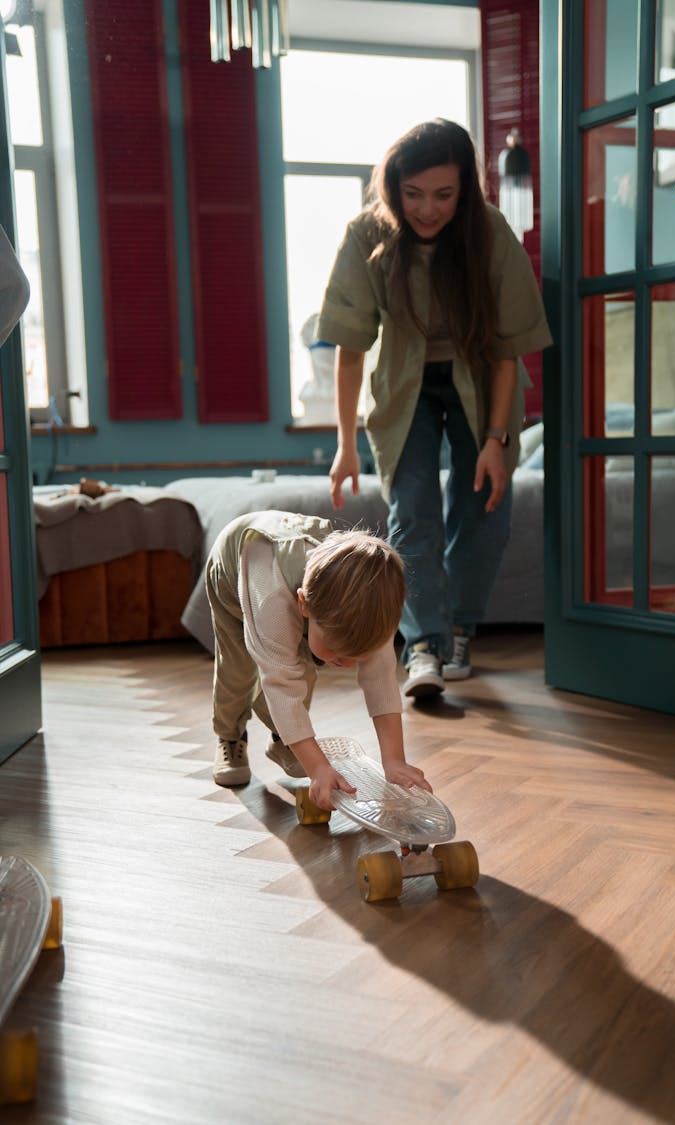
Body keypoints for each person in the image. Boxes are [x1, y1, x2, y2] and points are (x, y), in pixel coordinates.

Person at [318, 119, 552, 699]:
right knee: (412, 504)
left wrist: (497, 438)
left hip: (481, 376)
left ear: (465, 190)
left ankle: (459, 628)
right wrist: (346, 445)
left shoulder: (490, 233)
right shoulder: (365, 235)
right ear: (392, 187)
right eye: (413, 194)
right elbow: (351, 349)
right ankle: (424, 645)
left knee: (485, 506)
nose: (427, 209)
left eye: (444, 195)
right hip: (405, 384)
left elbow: (505, 351)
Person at [205, 509, 431, 810]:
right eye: (337, 652)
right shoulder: (273, 601)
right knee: (239, 670)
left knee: (304, 667)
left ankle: (283, 739)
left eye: (358, 655)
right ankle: (229, 737)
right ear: (304, 604)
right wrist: (317, 769)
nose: (346, 664)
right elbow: (281, 685)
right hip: (232, 577)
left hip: (298, 591)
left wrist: (394, 760)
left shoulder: (376, 608)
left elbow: (381, 678)